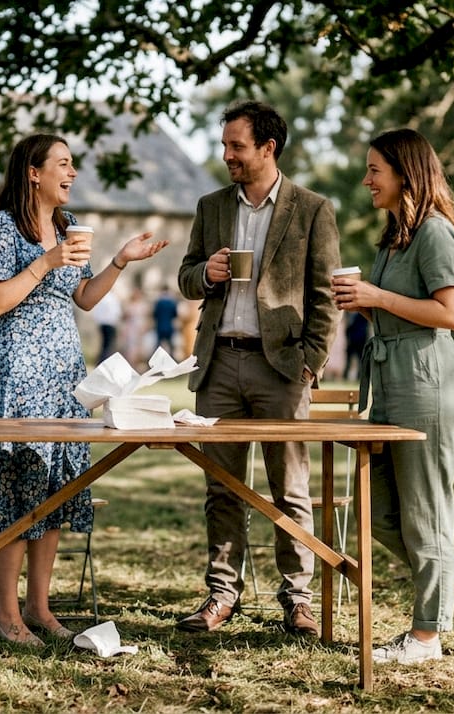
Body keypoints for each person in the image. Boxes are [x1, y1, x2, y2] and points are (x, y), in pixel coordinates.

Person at [0, 133, 168, 646]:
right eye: (63, 163)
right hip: (21, 370)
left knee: (56, 486)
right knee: (20, 485)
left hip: (64, 372)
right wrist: (46, 261)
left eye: (73, 163)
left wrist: (121, 260)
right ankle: (7, 614)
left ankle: (40, 607)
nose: (73, 171)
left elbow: (82, 297)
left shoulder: (67, 227)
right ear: (33, 173)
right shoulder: (0, 227)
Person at [331, 127, 454, 664]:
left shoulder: (434, 232)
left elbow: (450, 314)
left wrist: (377, 296)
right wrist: (365, 304)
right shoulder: (395, 236)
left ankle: (426, 636)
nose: (366, 180)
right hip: (388, 381)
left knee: (426, 515)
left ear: (405, 172)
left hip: (426, 385)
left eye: (374, 170)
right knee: (381, 513)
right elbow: (398, 306)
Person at [176, 100, 341, 637]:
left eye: (236, 146)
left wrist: (310, 365)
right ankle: (221, 595)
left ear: (268, 148)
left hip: (282, 369)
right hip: (219, 364)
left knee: (289, 488)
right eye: (225, 145)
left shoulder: (313, 209)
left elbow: (326, 297)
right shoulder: (211, 206)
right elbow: (184, 277)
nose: (227, 155)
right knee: (221, 488)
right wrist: (207, 272)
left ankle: (299, 600)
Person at [90, 288, 122, 365]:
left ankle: (102, 361)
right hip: (110, 323)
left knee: (104, 344)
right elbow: (117, 312)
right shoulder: (113, 298)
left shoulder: (102, 298)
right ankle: (105, 362)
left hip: (102, 324)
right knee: (109, 345)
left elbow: (96, 312)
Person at [152, 286, 179, 355]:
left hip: (160, 326)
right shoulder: (172, 302)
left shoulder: (158, 302)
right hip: (169, 326)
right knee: (170, 345)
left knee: (158, 345)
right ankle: (172, 358)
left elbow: (154, 314)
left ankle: (156, 358)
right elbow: (175, 314)